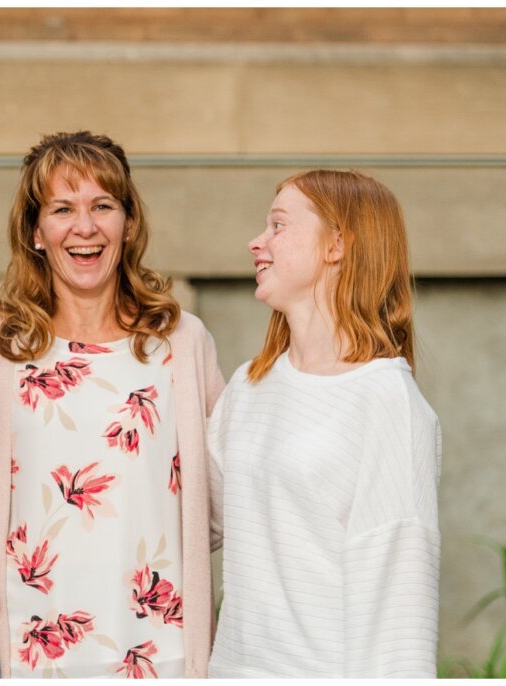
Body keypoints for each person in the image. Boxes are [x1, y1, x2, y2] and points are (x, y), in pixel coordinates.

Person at [0, 131, 225, 678]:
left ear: (128, 224)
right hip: (28, 653)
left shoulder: (179, 342)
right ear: (36, 230)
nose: (85, 227)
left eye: (102, 206)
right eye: (62, 209)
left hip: (158, 649)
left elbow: (219, 503)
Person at [207, 169, 442, 678]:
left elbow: (400, 608)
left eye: (277, 226)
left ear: (336, 244)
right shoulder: (250, 384)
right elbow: (197, 520)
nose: (257, 242)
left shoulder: (386, 400)